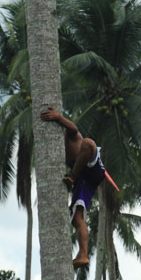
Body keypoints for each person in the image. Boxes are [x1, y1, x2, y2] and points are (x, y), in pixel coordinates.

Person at [40, 106, 106, 268]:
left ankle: (73, 176)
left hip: (92, 168)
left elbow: (74, 128)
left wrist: (57, 117)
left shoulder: (70, 137)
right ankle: (83, 255)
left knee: (88, 143)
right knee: (77, 218)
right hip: (83, 179)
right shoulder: (55, 152)